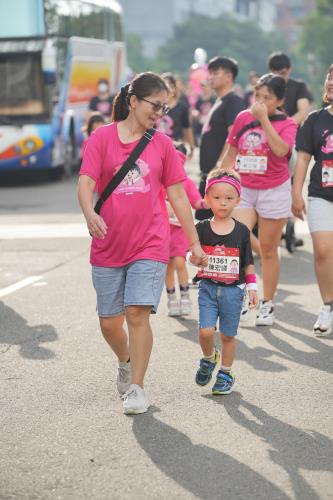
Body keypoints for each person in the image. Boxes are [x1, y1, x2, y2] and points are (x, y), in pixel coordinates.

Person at [78, 72, 207, 415]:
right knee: (109, 322)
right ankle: (125, 359)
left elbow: (178, 196)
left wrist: (194, 243)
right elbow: (85, 183)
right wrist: (89, 213)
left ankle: (137, 387)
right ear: (134, 101)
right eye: (155, 105)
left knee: (137, 313)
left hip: (150, 242)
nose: (160, 113)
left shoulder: (162, 144)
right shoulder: (101, 139)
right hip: (107, 243)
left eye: (165, 108)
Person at [220, 73, 298, 326]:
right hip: (245, 187)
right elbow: (231, 151)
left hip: (274, 189)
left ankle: (267, 303)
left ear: (280, 101)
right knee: (239, 240)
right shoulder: (243, 117)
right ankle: (244, 297)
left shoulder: (287, 124)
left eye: (268, 98)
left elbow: (281, 151)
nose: (261, 101)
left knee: (267, 249)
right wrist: (219, 178)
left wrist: (264, 119)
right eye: (258, 96)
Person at [190, 169, 257, 395]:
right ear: (207, 199)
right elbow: (190, 253)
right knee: (206, 332)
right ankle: (209, 358)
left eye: (229, 198)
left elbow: (248, 262)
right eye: (217, 198)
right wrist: (194, 258)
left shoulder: (242, 231)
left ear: (238, 200)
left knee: (228, 335)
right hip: (207, 288)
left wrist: (252, 287)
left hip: (232, 292)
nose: (223, 203)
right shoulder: (201, 228)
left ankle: (226, 373)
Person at [292, 64, 333, 336]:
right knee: (322, 250)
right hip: (321, 193)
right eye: (330, 77)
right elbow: (304, 157)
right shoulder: (315, 119)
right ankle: (328, 306)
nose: (330, 82)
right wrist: (296, 192)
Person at [268, 52, 313, 249]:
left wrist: (284, 126)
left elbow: (303, 111)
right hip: (269, 144)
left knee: (293, 184)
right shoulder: (267, 87)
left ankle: (291, 230)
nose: (280, 75)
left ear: (290, 70)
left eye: (283, 72)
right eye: (276, 72)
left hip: (293, 143)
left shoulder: (298, 86)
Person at [196, 56, 246, 220]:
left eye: (215, 73)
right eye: (209, 73)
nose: (210, 77)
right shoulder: (219, 101)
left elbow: (234, 138)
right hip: (210, 175)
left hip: (220, 177)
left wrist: (220, 168)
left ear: (229, 76)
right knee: (204, 227)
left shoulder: (233, 102)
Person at [165, 148, 207, 316]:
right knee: (167, 267)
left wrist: (208, 202)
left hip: (180, 230)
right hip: (162, 230)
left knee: (180, 263)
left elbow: (197, 202)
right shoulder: (158, 181)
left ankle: (185, 296)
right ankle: (171, 299)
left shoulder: (186, 182)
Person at [156, 73, 195, 159]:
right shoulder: (155, 106)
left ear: (174, 88)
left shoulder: (182, 107)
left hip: (175, 148)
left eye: (168, 85)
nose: (165, 89)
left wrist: (191, 147)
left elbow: (187, 128)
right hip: (156, 147)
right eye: (162, 85)